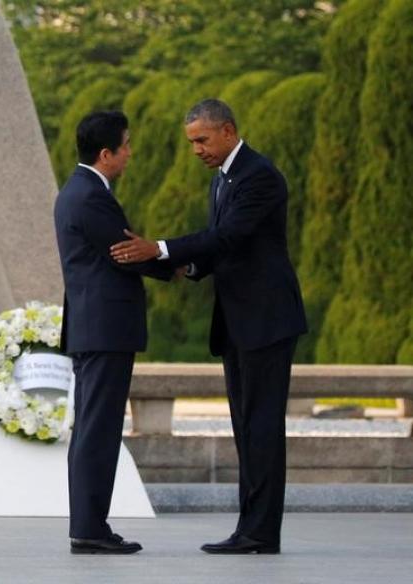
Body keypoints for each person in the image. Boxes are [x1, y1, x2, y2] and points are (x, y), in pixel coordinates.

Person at [110, 99, 307, 554]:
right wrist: (188, 268)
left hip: (267, 320)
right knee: (246, 426)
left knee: (260, 427)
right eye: (192, 142)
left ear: (228, 131)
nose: (196, 150)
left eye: (202, 140)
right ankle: (249, 530)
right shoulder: (222, 180)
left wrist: (159, 249)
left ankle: (259, 533)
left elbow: (228, 236)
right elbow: (222, 249)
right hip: (239, 321)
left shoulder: (259, 175)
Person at [54, 111, 174, 555]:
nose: (130, 152)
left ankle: (88, 525)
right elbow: (127, 253)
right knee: (98, 430)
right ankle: (89, 529)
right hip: (105, 329)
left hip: (94, 328)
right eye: (125, 145)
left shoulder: (79, 190)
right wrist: (178, 260)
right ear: (106, 154)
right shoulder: (90, 196)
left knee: (93, 428)